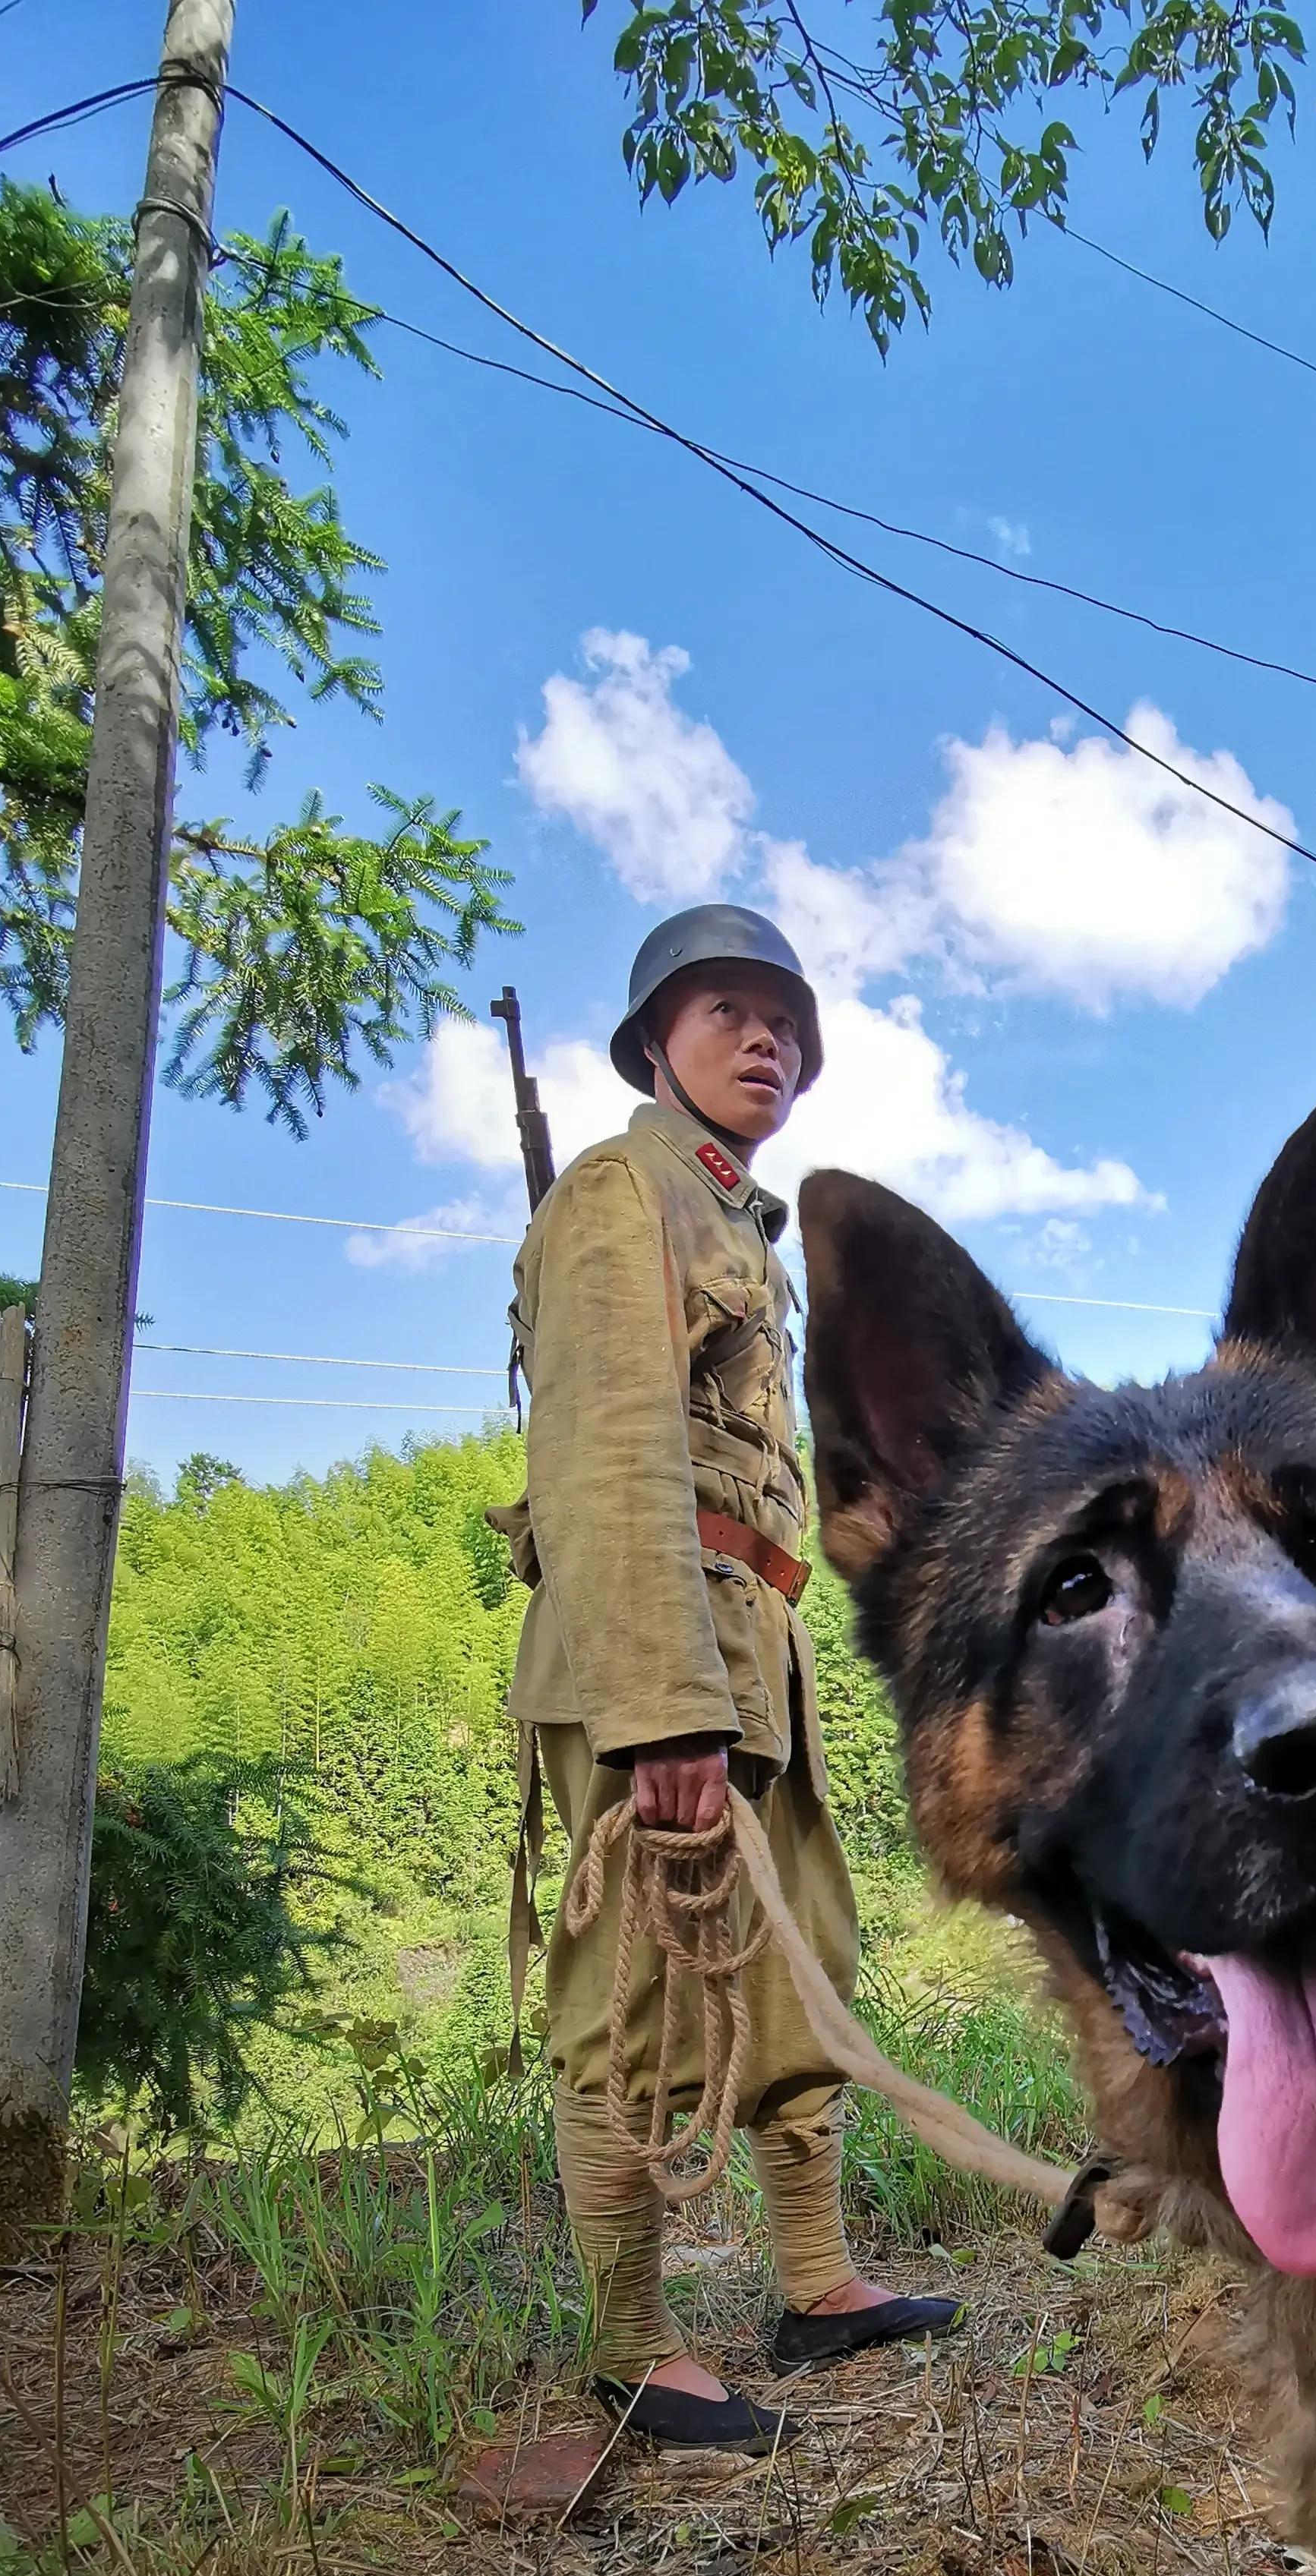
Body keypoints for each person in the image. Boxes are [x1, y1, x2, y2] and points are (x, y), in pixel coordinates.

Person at [503, 907, 957, 2451]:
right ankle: (634, 2349)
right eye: (727, 1012)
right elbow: (607, 1448)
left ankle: (816, 2284)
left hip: (754, 1650)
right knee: (637, 1993)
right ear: (654, 1044)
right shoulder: (620, 1195)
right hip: (666, 1661)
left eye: (787, 1022)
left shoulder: (734, 1226)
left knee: (802, 1965)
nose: (768, 1039)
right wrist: (662, 1712)